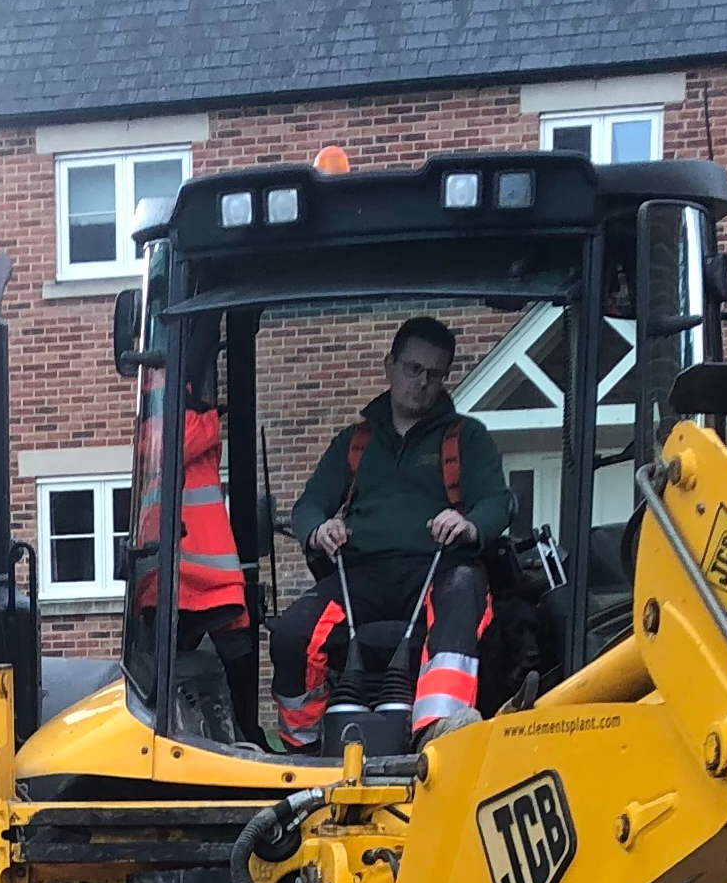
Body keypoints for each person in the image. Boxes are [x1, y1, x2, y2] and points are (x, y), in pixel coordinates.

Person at [274, 316, 510, 747]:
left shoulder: (468, 438)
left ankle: (440, 732)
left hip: (439, 571)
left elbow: (497, 503)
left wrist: (469, 525)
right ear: (390, 365)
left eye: (434, 374)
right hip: (360, 577)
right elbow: (308, 507)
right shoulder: (354, 442)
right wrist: (319, 529)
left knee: (464, 589)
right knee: (291, 634)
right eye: (413, 368)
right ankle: (303, 746)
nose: (421, 382)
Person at [131, 363, 260, 737]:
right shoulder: (164, 408)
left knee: (233, 666)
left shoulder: (174, 404)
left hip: (195, 578)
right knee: (169, 679)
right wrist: (210, 418)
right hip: (176, 578)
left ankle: (245, 734)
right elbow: (173, 442)